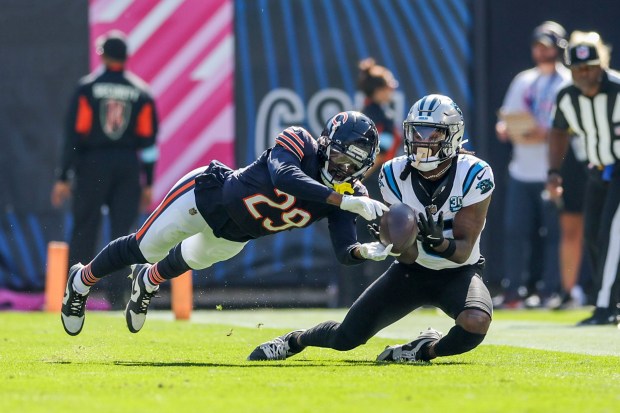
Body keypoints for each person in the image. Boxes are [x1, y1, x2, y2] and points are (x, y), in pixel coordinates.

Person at [60, 111, 395, 336]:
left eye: (350, 165)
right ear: (325, 145)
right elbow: (284, 176)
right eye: (337, 157)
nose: (340, 169)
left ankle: (148, 282)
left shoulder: (352, 194)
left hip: (239, 233)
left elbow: (343, 249)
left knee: (190, 259)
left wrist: (366, 251)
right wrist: (343, 200)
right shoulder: (300, 141)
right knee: (144, 246)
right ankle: (82, 279)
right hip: (208, 195)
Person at [248, 94, 494, 364]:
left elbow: (462, 252)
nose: (422, 142)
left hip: (459, 272)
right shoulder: (393, 173)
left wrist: (440, 243)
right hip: (411, 273)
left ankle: (422, 350)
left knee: (476, 321)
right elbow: (409, 257)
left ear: (453, 136)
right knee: (346, 338)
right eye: (417, 133)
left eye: (432, 135)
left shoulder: (475, 173)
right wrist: (396, 242)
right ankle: (294, 340)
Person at [51, 30, 159, 308]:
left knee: (85, 229)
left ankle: (73, 293)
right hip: (127, 166)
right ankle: (120, 297)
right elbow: (148, 142)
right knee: (124, 233)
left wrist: (64, 176)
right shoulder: (141, 92)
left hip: (92, 163)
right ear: (126, 57)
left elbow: (74, 137)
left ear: (101, 54)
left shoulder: (88, 88)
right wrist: (148, 181)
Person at [547, 31, 620, 325]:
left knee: (610, 236)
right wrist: (553, 172)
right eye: (578, 69)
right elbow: (558, 131)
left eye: (589, 66)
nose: (584, 73)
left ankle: (605, 308)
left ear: (601, 64)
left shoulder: (617, 89)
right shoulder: (567, 96)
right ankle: (608, 300)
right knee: (591, 235)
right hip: (598, 170)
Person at [494, 21, 569, 308]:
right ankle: (514, 290)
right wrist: (504, 128)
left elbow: (571, 126)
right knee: (516, 232)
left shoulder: (566, 82)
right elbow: (508, 115)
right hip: (521, 169)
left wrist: (546, 132)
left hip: (552, 171)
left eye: (546, 46)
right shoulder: (523, 80)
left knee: (553, 234)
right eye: (537, 46)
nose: (540, 51)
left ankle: (550, 290)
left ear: (558, 48)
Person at [339, 58, 402, 304]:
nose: (393, 88)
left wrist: (348, 183)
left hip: (357, 187)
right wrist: (358, 181)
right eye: (389, 84)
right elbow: (381, 154)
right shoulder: (380, 117)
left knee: (353, 239)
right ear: (378, 89)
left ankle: (349, 298)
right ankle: (373, 299)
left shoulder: (362, 115)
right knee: (378, 241)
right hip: (372, 187)